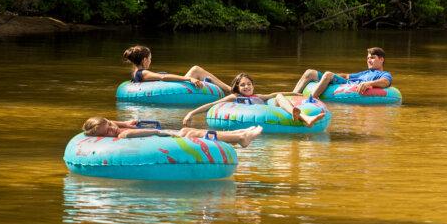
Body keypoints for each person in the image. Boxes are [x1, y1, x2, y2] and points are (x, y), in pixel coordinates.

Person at [182, 72, 311, 127]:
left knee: (278, 97)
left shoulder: (259, 97)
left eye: (249, 84)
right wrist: (190, 113)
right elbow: (212, 104)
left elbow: (275, 93)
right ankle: (303, 118)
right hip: (250, 118)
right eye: (242, 85)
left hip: (271, 114)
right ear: (237, 88)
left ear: (253, 85)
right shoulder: (235, 97)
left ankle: (296, 114)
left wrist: (295, 93)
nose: (247, 87)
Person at [81, 117, 263, 147]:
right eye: (108, 130)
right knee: (190, 134)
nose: (113, 128)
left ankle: (238, 132)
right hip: (163, 138)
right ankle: (240, 138)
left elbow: (112, 122)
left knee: (188, 129)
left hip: (164, 135)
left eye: (110, 124)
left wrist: (127, 122)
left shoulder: (113, 126)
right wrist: (163, 132)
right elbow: (130, 134)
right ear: (103, 135)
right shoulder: (121, 134)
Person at [292, 47, 392, 101]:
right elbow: (347, 76)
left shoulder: (384, 74)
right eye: (368, 58)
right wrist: (331, 77)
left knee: (328, 74)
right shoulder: (365, 73)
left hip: (350, 87)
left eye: (372, 57)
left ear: (381, 59)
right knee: (309, 72)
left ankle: (311, 100)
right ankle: (292, 96)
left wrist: (368, 84)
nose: (369, 60)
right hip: (344, 83)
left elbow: (385, 82)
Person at [122, 45, 232, 93]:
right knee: (196, 69)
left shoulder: (135, 72)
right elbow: (163, 77)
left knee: (196, 70)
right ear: (144, 60)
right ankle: (231, 89)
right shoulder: (143, 73)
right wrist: (189, 79)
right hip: (176, 88)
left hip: (170, 87)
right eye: (150, 59)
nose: (151, 61)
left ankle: (227, 88)